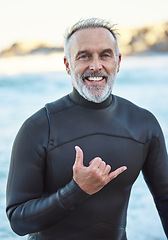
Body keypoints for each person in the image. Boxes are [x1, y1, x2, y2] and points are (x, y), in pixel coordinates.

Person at [6, 18, 168, 240]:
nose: (95, 66)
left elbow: (165, 198)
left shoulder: (144, 124)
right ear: (67, 65)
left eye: (105, 55)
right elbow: (18, 220)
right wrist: (76, 191)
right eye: (84, 56)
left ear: (118, 61)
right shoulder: (39, 128)